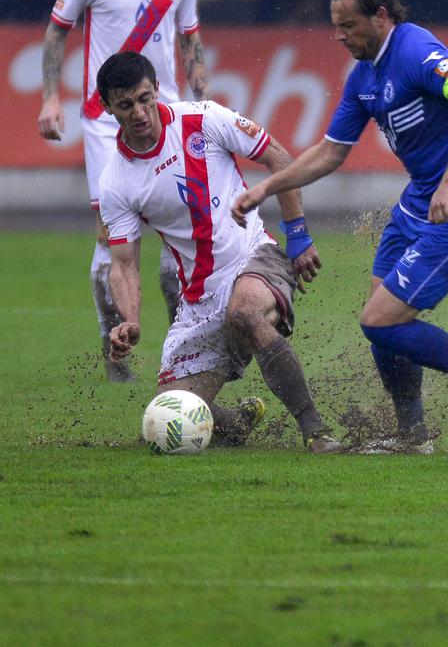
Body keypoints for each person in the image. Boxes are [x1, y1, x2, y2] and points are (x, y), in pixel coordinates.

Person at [232, 0, 448, 453]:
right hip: (417, 205)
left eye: (349, 25)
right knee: (383, 325)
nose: (340, 36)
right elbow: (330, 152)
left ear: (382, 17)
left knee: (380, 320)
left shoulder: (414, 51)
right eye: (336, 26)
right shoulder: (364, 78)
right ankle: (413, 434)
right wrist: (267, 186)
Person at [96, 51, 343, 453]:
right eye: (125, 105)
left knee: (245, 312)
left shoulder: (204, 118)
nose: (140, 112)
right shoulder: (115, 182)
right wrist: (130, 320)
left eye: (144, 98)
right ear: (107, 107)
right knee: (164, 419)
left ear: (157, 88)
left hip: (254, 257)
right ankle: (239, 421)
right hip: (199, 297)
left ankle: (316, 431)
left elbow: (276, 156)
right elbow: (124, 266)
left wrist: (297, 235)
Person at [37, 0, 208, 382]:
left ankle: (189, 350)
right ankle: (114, 341)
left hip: (168, 119)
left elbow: (191, 40)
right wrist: (51, 96)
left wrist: (200, 87)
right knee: (107, 248)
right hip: (103, 124)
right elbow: (56, 31)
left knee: (178, 249)